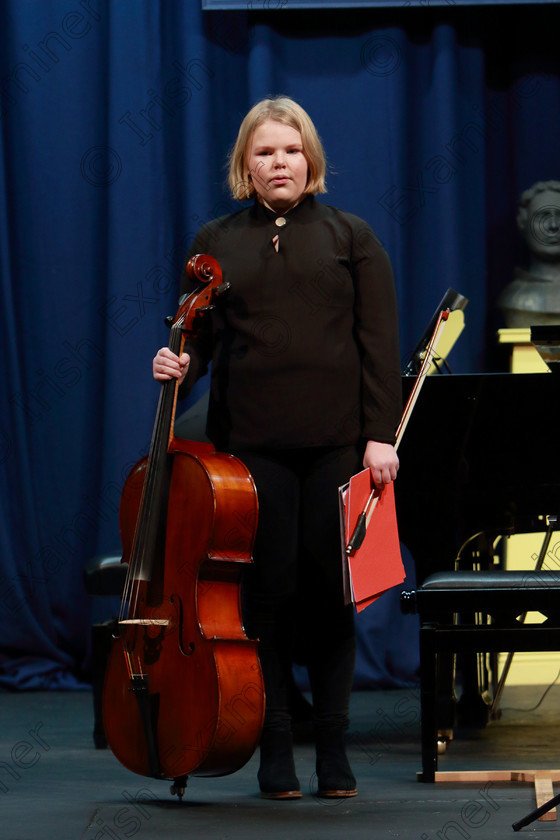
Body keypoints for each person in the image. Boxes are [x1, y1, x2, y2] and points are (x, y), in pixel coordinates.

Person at [153, 96, 402, 800]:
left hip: (337, 449)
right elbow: (196, 342)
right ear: (246, 166)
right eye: (264, 153)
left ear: (310, 161)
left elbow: (379, 348)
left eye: (290, 150)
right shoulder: (217, 241)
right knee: (266, 597)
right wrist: (179, 366)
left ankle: (333, 750)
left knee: (331, 595)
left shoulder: (352, 237)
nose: (279, 162)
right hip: (249, 451)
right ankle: (274, 746)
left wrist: (379, 437)